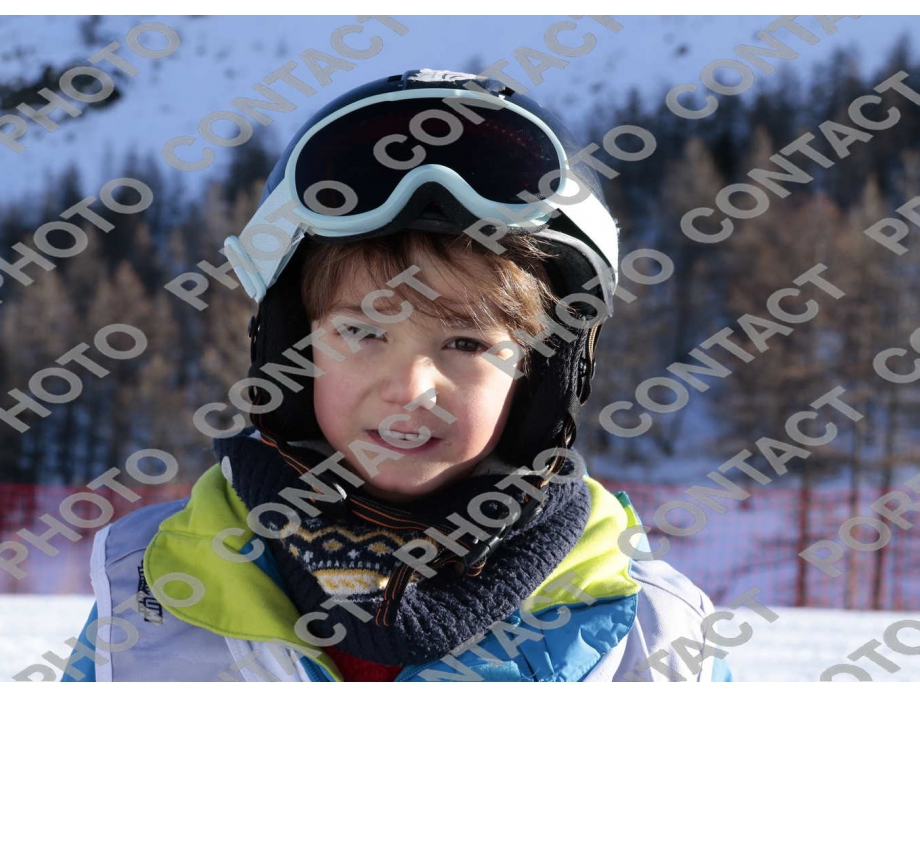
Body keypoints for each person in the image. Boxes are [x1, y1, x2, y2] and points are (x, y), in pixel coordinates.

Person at [62, 68, 732, 682]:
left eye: (467, 342)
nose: (410, 389)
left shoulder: (653, 638)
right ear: (291, 350)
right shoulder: (150, 594)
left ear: (544, 374)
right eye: (362, 333)